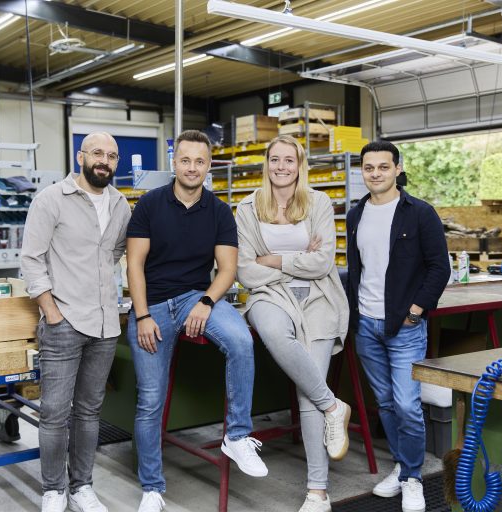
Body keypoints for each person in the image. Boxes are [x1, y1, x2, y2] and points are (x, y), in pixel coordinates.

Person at [126, 129, 268, 512]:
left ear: (208, 167)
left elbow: (228, 269)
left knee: (241, 340)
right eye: (185, 160)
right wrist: (142, 314)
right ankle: (152, 488)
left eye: (199, 161)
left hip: (196, 296)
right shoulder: (149, 204)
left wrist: (206, 301)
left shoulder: (219, 211)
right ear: (174, 163)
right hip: (153, 304)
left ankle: (237, 436)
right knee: (150, 401)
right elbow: (134, 265)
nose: (192, 167)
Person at [236, 135, 351, 512]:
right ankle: (333, 407)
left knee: (306, 390)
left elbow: (323, 263)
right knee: (272, 330)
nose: (281, 167)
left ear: (300, 165)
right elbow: (245, 271)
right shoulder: (247, 207)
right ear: (266, 163)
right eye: (275, 159)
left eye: (289, 160)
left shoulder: (319, 202)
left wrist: (273, 260)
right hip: (269, 296)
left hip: (318, 297)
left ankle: (318, 492)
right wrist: (298, 259)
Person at [21, 132, 131, 512]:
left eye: (112, 156)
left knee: (89, 412)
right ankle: (54, 490)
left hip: (105, 325)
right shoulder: (51, 199)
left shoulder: (120, 205)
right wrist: (51, 311)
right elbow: (31, 259)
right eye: (97, 153)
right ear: (80, 156)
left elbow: (116, 253)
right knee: (55, 412)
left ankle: (82, 486)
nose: (104, 161)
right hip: (64, 322)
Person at [346, 140, 449, 512]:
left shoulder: (419, 213)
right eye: (369, 167)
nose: (375, 174)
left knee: (406, 405)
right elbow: (357, 269)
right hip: (366, 325)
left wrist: (415, 311)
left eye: (383, 167)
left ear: (397, 169)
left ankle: (414, 477)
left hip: (404, 326)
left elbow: (439, 268)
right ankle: (402, 468)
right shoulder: (355, 215)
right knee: (386, 404)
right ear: (362, 171)